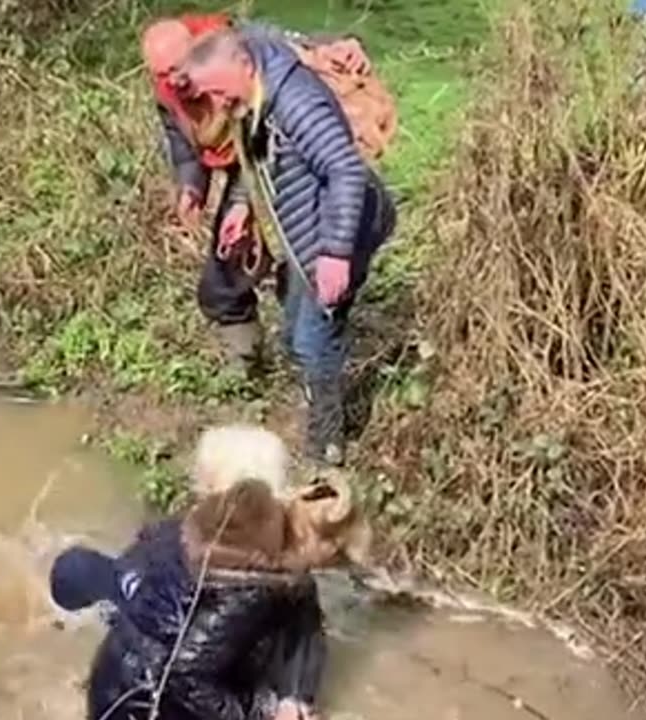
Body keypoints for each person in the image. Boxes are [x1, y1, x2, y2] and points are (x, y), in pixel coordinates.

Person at [169, 24, 396, 467]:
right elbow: (256, 165)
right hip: (305, 236)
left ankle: (325, 451)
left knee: (313, 341)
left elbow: (345, 171)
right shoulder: (248, 95)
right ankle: (326, 393)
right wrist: (239, 208)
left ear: (243, 65)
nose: (215, 103)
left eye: (217, 91)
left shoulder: (295, 103)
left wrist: (335, 255)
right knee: (294, 336)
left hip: (341, 232)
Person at [50, 425, 370, 720]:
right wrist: (262, 711)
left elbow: (304, 629)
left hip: (160, 668)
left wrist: (292, 698)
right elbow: (181, 675)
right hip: (149, 689)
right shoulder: (236, 577)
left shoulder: (274, 571)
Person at [141, 16, 374, 372]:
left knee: (304, 271)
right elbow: (182, 142)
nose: (173, 80)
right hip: (248, 171)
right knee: (223, 281)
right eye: (161, 74)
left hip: (282, 165)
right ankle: (247, 361)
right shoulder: (170, 88)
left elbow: (297, 51)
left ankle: (318, 354)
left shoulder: (237, 56)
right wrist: (191, 186)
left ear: (197, 51)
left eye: (176, 68)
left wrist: (343, 44)